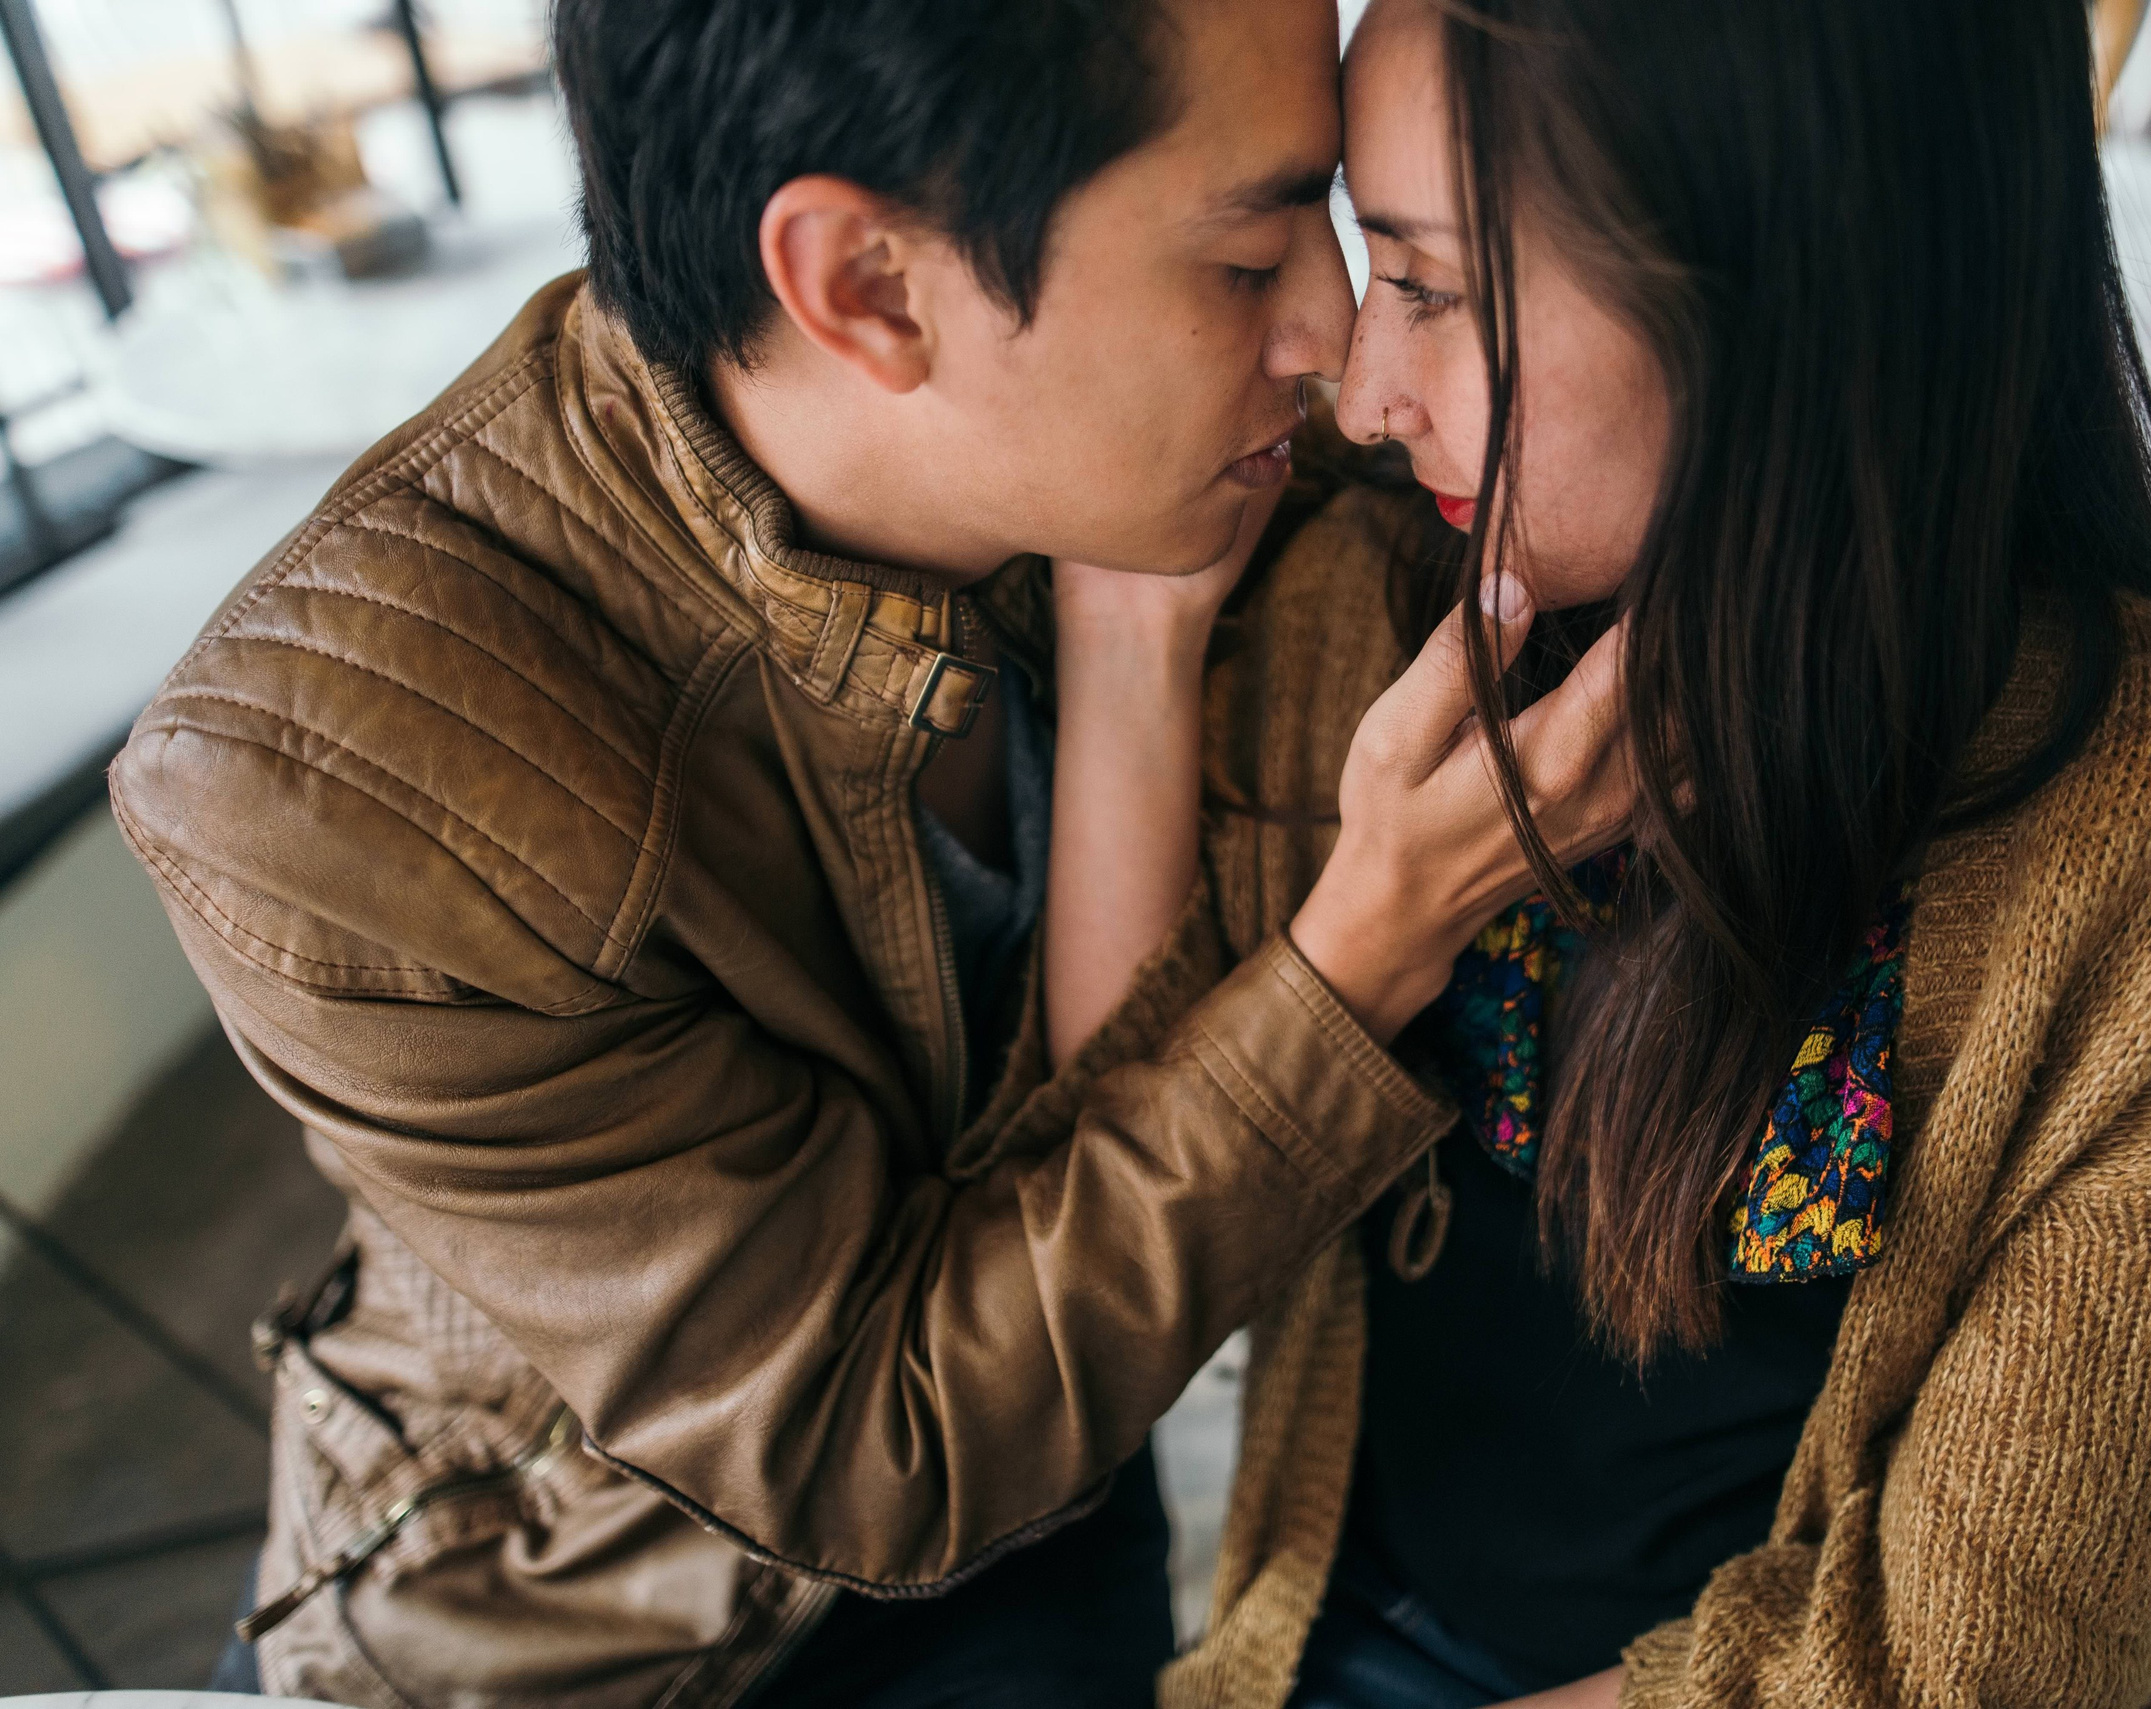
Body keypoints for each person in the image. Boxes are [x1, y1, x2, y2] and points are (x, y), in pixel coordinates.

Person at [109, 2, 1634, 1704]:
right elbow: (871, 1450)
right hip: (595, 1637)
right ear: (869, 287)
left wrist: (1133, 645)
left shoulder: (1181, 453)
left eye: (1341, 227)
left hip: (1058, 1487)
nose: (1335, 336)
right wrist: (1362, 948)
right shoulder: (328, 782)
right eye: (1245, 256)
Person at [1040, 2, 2151, 1706]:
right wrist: (1139, 628)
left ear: (1777, 290)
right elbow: (1115, 1253)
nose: (1365, 391)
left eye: (1431, 286)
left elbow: (1956, 1675)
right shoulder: (1370, 592)